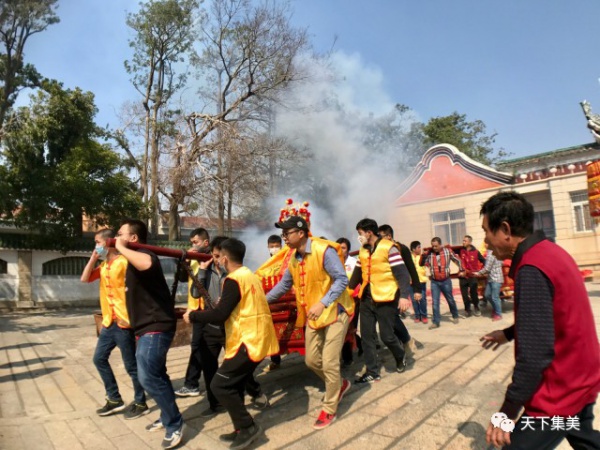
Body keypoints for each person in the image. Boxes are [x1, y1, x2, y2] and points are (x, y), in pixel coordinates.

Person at [479, 192, 600, 449]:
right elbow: (551, 316)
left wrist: (507, 412)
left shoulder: (532, 268)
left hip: (562, 387)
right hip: (583, 375)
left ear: (505, 229)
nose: (486, 242)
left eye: (486, 232)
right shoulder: (550, 252)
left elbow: (535, 355)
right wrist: (509, 333)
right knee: (584, 438)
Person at [184, 238, 279, 450]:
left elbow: (219, 315)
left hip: (248, 340)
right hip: (255, 337)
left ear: (225, 258)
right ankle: (240, 427)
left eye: (217, 257)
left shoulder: (234, 279)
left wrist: (195, 316)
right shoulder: (249, 275)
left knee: (219, 384)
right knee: (233, 383)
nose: (215, 261)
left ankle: (247, 427)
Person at [267, 216, 355, 430]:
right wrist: (261, 300)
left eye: (286, 233)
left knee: (329, 362)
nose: (284, 238)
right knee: (312, 361)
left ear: (300, 233)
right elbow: (283, 285)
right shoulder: (294, 259)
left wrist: (323, 303)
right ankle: (340, 384)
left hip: (335, 310)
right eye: (283, 234)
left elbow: (342, 279)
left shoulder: (324, 251)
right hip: (315, 316)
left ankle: (329, 407)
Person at [115, 219, 185, 449]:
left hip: (156, 326)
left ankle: (174, 423)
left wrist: (121, 247)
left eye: (120, 233)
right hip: (144, 328)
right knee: (158, 375)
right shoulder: (130, 260)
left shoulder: (145, 255)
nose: (116, 236)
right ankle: (167, 417)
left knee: (147, 378)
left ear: (132, 238)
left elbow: (147, 262)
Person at [81, 228, 147, 419]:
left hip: (123, 322)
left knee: (131, 366)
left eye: (98, 242)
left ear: (109, 242)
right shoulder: (103, 267)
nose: (96, 246)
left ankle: (140, 401)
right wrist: (94, 258)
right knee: (99, 359)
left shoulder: (124, 262)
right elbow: (85, 278)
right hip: (108, 322)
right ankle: (114, 398)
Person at [348, 219, 411, 384]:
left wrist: (404, 295)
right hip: (366, 299)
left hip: (386, 298)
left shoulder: (389, 248)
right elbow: (357, 272)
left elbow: (402, 273)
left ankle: (400, 355)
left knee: (387, 336)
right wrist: (348, 290)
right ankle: (372, 371)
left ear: (369, 232)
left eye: (360, 233)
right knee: (367, 336)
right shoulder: (363, 250)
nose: (359, 237)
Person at [175, 227, 211, 398]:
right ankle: (192, 383)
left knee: (199, 346)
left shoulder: (210, 258)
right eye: (191, 244)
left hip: (207, 308)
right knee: (199, 346)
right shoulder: (195, 259)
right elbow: (183, 278)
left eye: (196, 243)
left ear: (206, 242)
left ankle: (191, 383)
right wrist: (185, 263)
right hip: (195, 307)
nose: (193, 246)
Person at [378, 224, 420, 358]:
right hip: (382, 289)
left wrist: (416, 290)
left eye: (380, 236)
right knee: (387, 318)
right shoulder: (377, 249)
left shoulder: (401, 249)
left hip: (398, 288)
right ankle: (400, 341)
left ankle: (406, 339)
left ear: (389, 236)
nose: (378, 239)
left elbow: (411, 270)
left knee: (393, 317)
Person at [420, 237, 465, 329]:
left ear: (440, 244)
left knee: (450, 299)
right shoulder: (429, 253)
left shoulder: (447, 251)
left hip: (445, 280)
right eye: (433, 246)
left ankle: (455, 315)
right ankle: (436, 322)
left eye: (436, 246)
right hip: (434, 282)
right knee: (435, 302)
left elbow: (457, 260)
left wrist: (462, 269)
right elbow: (421, 263)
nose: (434, 248)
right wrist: (423, 256)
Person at [337, 237, 361, 366]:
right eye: (339, 248)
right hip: (339, 302)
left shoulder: (354, 263)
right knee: (343, 328)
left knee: (351, 328)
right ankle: (348, 356)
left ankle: (349, 356)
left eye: (344, 248)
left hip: (354, 301)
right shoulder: (333, 263)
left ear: (348, 250)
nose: (341, 250)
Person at [264, 234, 283, 372]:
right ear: (268, 247)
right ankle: (275, 360)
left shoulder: (287, 260)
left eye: (277, 246)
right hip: (271, 301)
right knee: (272, 330)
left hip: (286, 298)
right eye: (272, 246)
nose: (274, 249)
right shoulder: (266, 265)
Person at [471, 245, 503, 321]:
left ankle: (498, 314)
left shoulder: (491, 254)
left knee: (495, 297)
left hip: (496, 279)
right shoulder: (495, 252)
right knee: (487, 295)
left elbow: (487, 268)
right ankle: (496, 308)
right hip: (491, 279)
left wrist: (478, 273)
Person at [459, 235, 485, 317]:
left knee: (474, 293)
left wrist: (482, 271)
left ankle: (476, 307)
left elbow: (484, 261)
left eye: (465, 241)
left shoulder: (476, 252)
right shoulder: (460, 250)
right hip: (463, 276)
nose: (463, 242)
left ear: (470, 242)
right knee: (464, 295)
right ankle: (467, 309)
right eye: (463, 240)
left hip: (472, 275)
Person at [409, 241, 428, 324]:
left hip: (421, 281)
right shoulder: (408, 257)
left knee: (422, 299)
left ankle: (424, 316)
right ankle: (417, 315)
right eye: (418, 247)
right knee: (414, 300)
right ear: (413, 249)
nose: (420, 249)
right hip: (411, 282)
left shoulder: (422, 257)